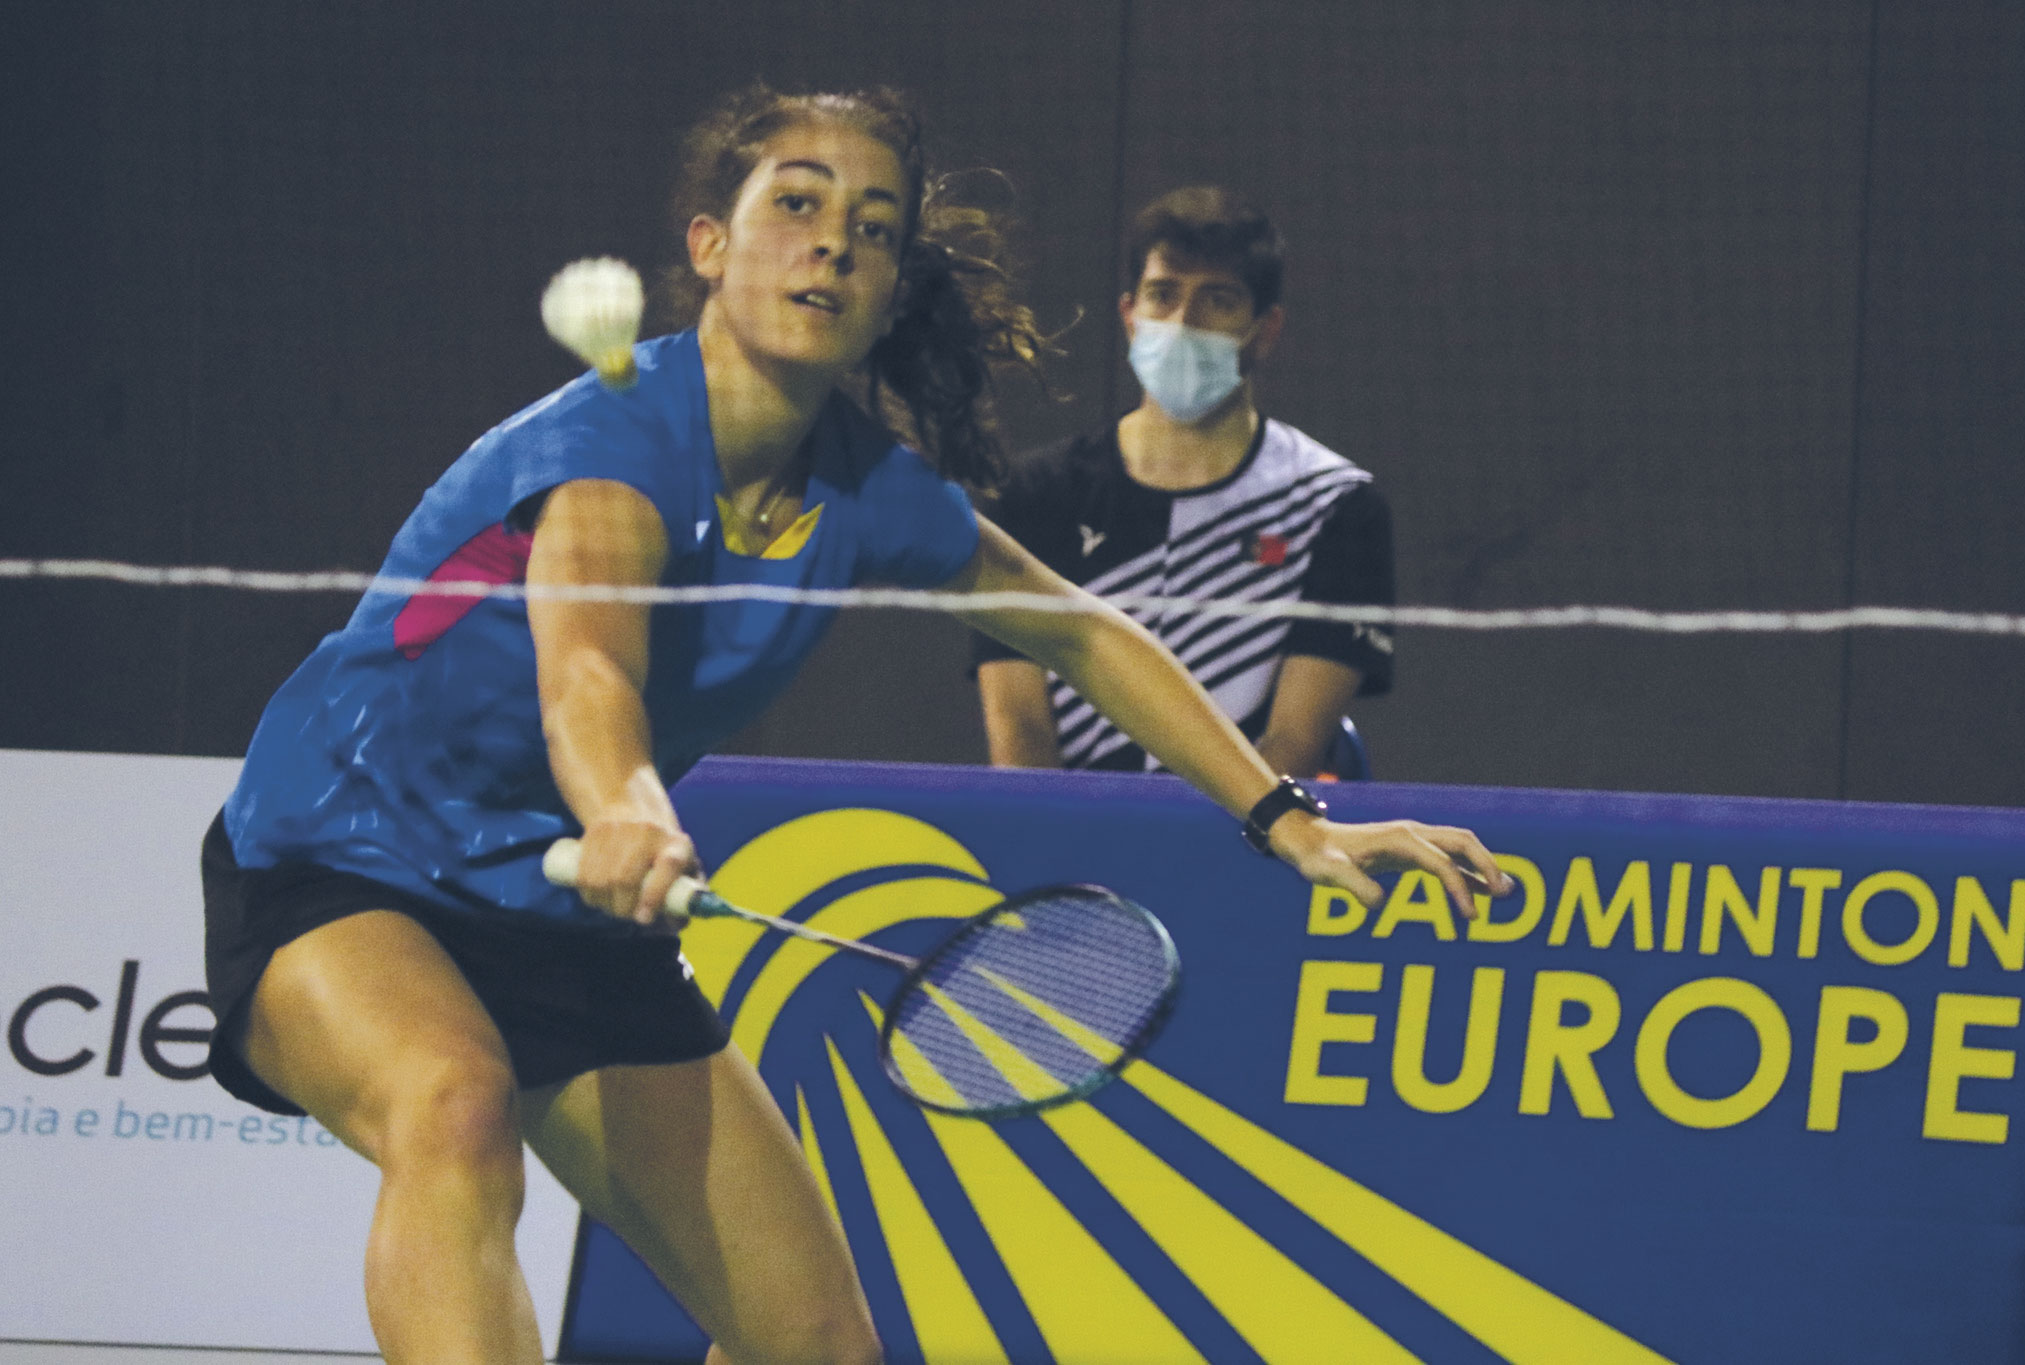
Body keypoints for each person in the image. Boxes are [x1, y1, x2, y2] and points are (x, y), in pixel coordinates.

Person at [201, 86, 1508, 1365]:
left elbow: (1082, 631)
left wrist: (1287, 820)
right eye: (797, 203)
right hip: (346, 856)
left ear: (888, 288)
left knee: (810, 1339)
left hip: (568, 913)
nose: (834, 239)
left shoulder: (870, 495)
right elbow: (586, 675)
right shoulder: (613, 442)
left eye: (874, 226)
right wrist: (629, 812)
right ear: (709, 246)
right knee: (453, 1102)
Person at [974, 186, 1395, 777]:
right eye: (1162, 295)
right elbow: (1019, 729)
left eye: (1217, 300)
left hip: (1249, 846)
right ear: (1128, 316)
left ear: (1265, 330)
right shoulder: (1034, 494)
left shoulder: (1338, 508)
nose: (1182, 323)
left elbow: (1295, 742)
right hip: (1072, 845)